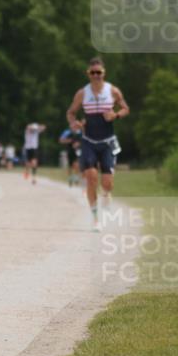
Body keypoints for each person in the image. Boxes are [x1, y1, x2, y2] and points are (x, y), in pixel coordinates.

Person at [66, 57, 129, 231]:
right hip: (89, 141)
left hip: (107, 142)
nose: (96, 76)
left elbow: (126, 108)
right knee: (92, 178)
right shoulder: (82, 93)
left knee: (107, 182)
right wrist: (74, 123)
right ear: (88, 74)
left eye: (98, 72)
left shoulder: (113, 91)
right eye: (92, 73)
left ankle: (107, 193)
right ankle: (95, 219)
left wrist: (115, 115)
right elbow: (71, 112)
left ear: (103, 73)